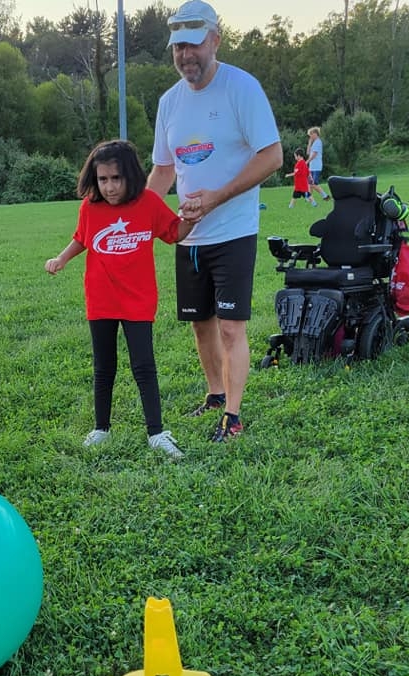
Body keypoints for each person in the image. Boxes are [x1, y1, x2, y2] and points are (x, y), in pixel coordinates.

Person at [147, 0, 282, 442]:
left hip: (233, 230)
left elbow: (272, 156)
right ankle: (215, 395)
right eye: (177, 48)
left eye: (193, 45)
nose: (185, 55)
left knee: (229, 325)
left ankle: (235, 417)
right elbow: (164, 169)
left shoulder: (241, 88)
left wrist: (219, 197)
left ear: (215, 41)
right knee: (200, 322)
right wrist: (140, 215)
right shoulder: (169, 103)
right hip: (189, 236)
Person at [44, 139, 193, 459]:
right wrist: (61, 259)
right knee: (104, 366)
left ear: (130, 176)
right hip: (101, 298)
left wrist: (192, 216)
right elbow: (81, 239)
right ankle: (101, 429)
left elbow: (174, 234)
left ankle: (156, 432)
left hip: (138, 299)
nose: (109, 187)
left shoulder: (149, 203)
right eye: (102, 179)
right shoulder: (90, 208)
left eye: (116, 178)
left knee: (144, 366)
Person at [307, 127, 330, 201]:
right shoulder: (314, 143)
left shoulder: (318, 142)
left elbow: (314, 154)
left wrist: (307, 161)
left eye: (311, 134)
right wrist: (309, 143)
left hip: (316, 166)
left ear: (315, 134)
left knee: (313, 184)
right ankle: (309, 198)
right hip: (312, 166)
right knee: (310, 183)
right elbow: (308, 153)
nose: (310, 136)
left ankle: (325, 196)